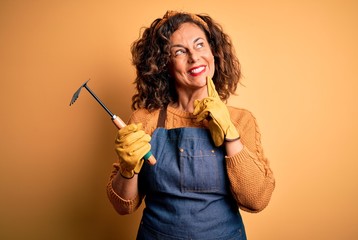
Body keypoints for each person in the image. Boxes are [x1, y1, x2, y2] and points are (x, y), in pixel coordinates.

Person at [106, 10, 275, 240]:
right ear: (164, 64)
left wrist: (230, 136)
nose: (194, 57)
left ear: (213, 52)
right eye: (179, 51)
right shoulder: (144, 119)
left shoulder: (240, 120)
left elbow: (256, 199)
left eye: (199, 45)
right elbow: (123, 206)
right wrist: (127, 169)